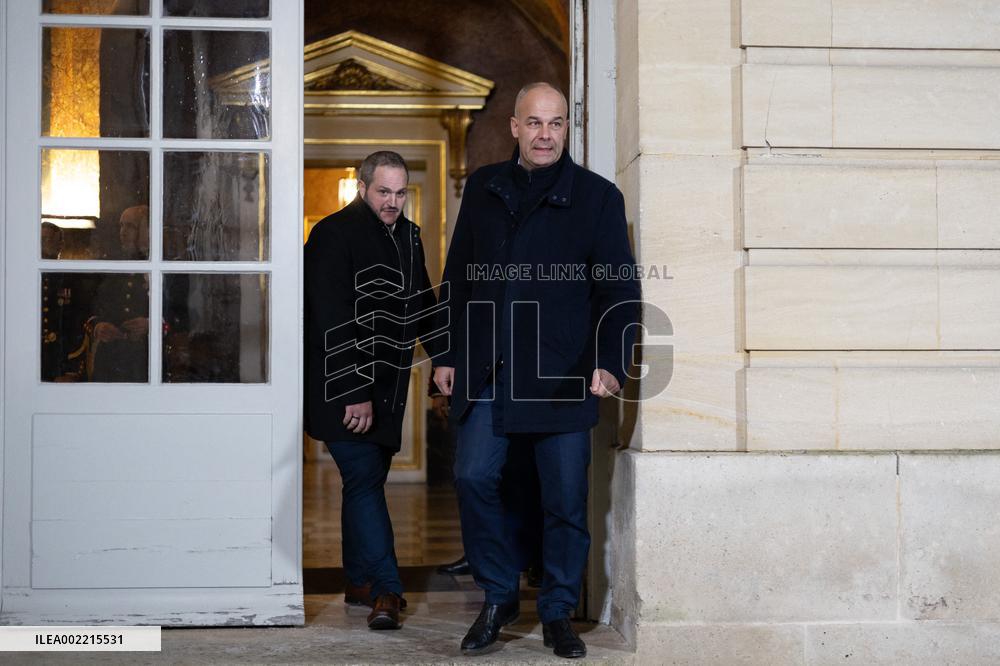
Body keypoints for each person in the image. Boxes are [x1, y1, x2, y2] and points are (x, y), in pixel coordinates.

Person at [432, 82, 641, 659]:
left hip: (564, 371)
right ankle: (499, 596)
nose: (546, 134)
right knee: (474, 477)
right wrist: (447, 354)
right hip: (489, 367)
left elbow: (619, 290)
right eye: (535, 123)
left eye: (556, 123)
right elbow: (458, 277)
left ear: (565, 129)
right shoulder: (483, 188)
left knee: (565, 499)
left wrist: (611, 362)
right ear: (515, 128)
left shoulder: (598, 198)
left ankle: (556, 612)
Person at [304, 151, 441, 631]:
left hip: (389, 388)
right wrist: (353, 390)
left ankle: (359, 580)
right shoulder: (331, 234)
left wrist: (443, 358)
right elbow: (330, 317)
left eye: (400, 193)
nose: (393, 201)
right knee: (363, 480)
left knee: (365, 483)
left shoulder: (408, 235)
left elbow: (424, 301)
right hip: (345, 389)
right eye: (383, 191)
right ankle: (387, 589)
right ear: (361, 187)